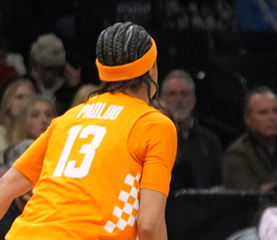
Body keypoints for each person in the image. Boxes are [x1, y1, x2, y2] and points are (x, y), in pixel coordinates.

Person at [0, 21, 177, 239]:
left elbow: (4, 188)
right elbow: (150, 225)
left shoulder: (68, 119)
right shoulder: (154, 125)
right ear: (152, 69)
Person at [159, 69, 223, 191]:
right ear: (161, 100)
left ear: (194, 100)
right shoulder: (154, 138)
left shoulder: (209, 141)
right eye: (172, 94)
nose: (179, 100)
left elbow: (218, 183)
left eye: (184, 94)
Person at [223, 87, 277, 191]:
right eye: (263, 113)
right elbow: (249, 194)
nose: (272, 118)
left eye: (276, 111)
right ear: (248, 119)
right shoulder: (238, 154)